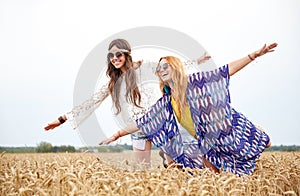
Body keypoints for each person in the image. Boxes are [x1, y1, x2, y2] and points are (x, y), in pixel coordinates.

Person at [99, 43, 277, 175]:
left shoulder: (193, 82)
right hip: (206, 141)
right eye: (159, 68)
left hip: (226, 127)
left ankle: (258, 130)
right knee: (214, 176)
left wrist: (253, 55)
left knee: (263, 143)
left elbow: (225, 71)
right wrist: (117, 134)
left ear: (175, 68)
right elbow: (144, 121)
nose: (161, 69)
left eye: (165, 65)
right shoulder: (167, 101)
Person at [44, 38, 208, 167]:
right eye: (111, 56)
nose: (115, 59)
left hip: (161, 123)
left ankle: (168, 161)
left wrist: (198, 61)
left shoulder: (146, 68)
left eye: (118, 55)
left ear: (127, 54)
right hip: (138, 128)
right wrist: (62, 119)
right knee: (142, 172)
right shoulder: (113, 83)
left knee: (176, 167)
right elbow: (91, 102)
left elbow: (172, 68)